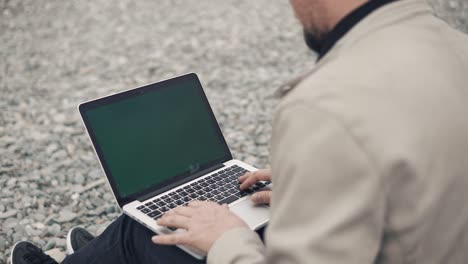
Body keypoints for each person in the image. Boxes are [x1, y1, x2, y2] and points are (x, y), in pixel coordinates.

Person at [11, 0, 468, 263]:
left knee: (149, 231)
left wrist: (228, 239)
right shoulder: (455, 46)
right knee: (172, 218)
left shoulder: (327, 104)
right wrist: (315, 182)